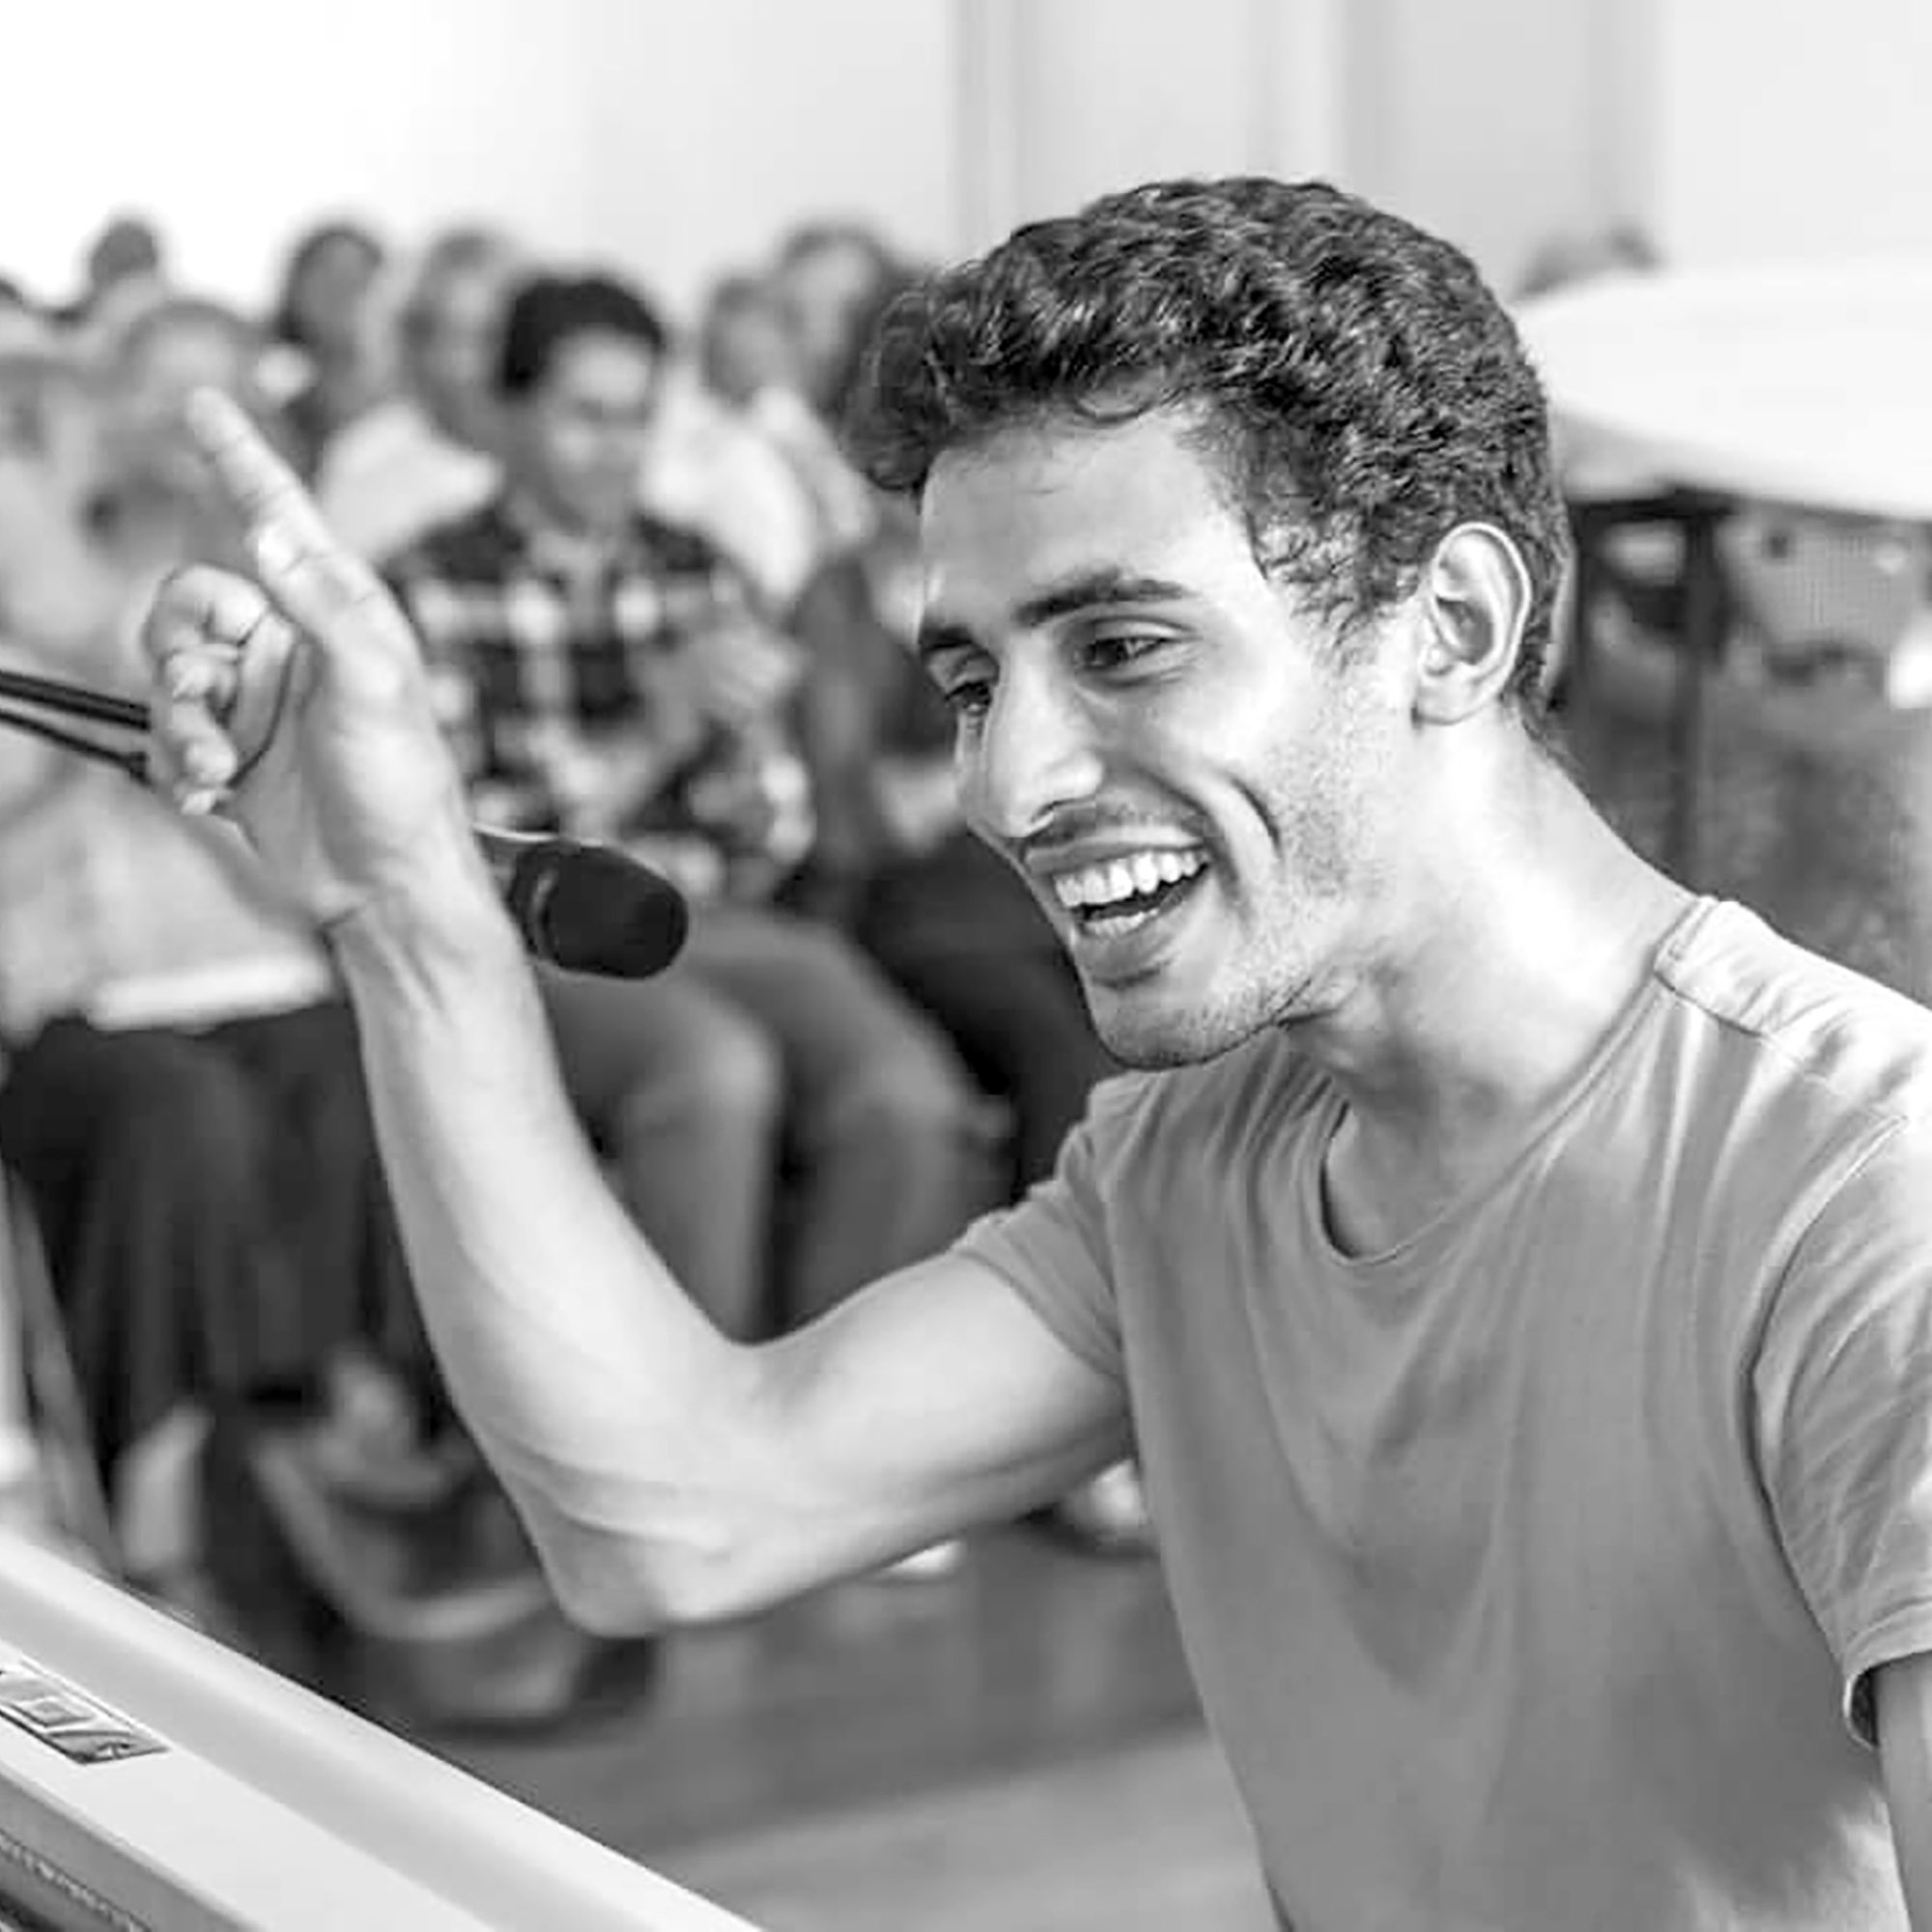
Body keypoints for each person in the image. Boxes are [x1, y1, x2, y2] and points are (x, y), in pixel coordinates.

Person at [144, 176, 1932, 1928]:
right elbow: (668, 1510)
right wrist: (408, 903)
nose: (1007, 783)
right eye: (974, 685)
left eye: (1125, 646)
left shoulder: (1865, 1202)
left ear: (1452, 625)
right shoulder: (1189, 1164)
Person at [384, 270, 997, 1347]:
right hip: (537, 944)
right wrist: (655, 729)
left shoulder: (697, 568)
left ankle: (827, 1407)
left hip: (717, 916)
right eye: (585, 417)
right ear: (509, 415)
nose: (615, 449)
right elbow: (453, 851)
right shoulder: (430, 587)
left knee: (907, 1095)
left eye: (635, 419)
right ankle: (686, 1410)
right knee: (711, 1072)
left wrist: (751, 760)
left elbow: (774, 832)